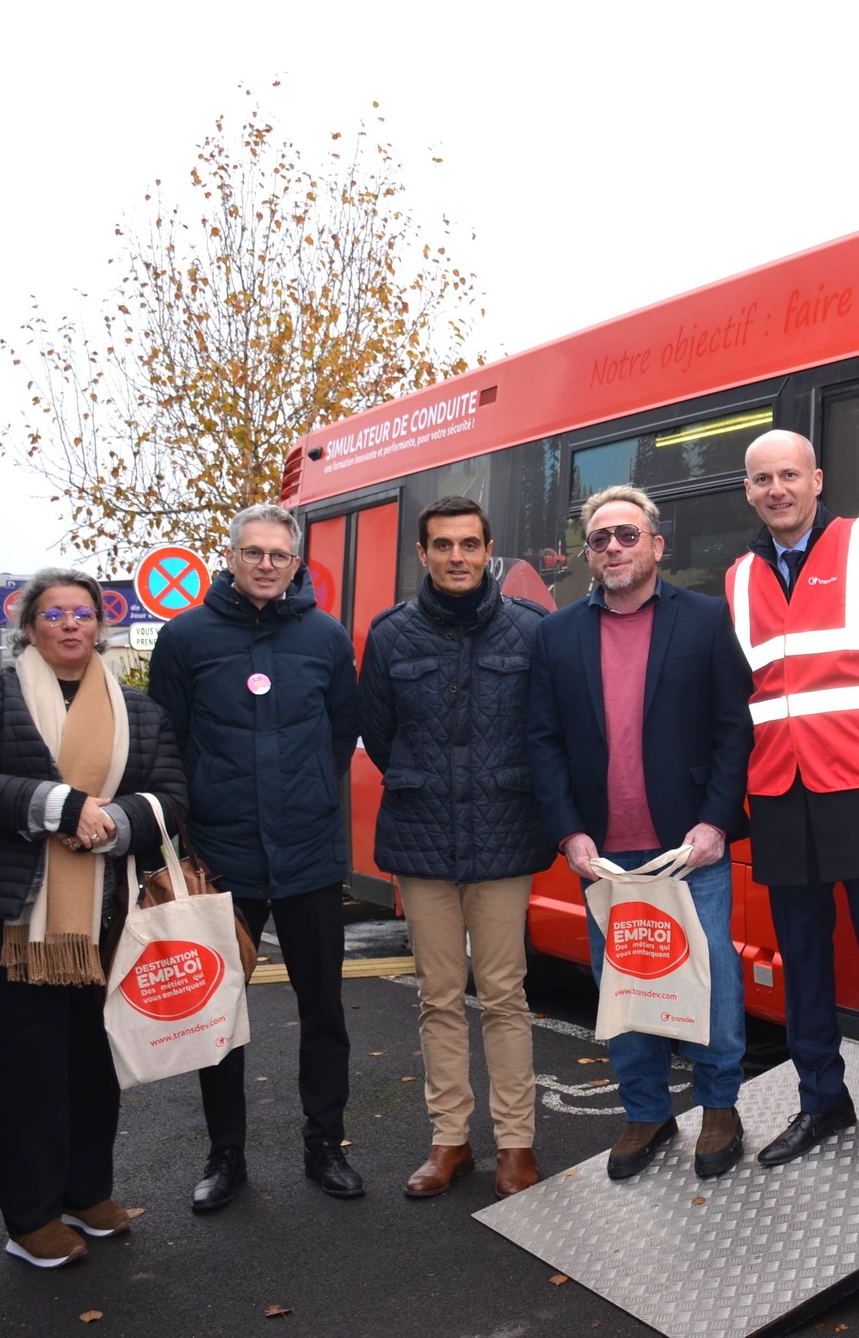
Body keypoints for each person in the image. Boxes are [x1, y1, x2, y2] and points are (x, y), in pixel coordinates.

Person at [0, 568, 188, 1267]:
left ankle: (86, 1191)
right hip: (6, 920)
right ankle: (32, 1217)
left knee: (92, 1059)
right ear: (30, 626)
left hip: (107, 918)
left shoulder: (137, 709)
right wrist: (64, 808)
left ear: (100, 624)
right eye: (54, 615)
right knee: (28, 1065)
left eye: (83, 613)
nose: (70, 624)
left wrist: (117, 822)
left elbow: (170, 794)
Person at [728, 429, 859, 1179]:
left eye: (789, 474)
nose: (776, 489)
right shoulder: (736, 578)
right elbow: (744, 691)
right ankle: (822, 1100)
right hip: (782, 795)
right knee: (804, 961)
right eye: (762, 479)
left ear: (817, 480)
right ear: (749, 490)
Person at [526, 484, 753, 1180]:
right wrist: (569, 835)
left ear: (657, 546)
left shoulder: (707, 620)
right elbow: (543, 742)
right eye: (601, 539)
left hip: (689, 849)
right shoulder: (556, 634)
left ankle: (720, 1106)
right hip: (605, 859)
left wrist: (716, 822)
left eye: (628, 535)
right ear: (589, 555)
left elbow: (733, 731)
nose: (615, 548)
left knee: (707, 974)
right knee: (623, 988)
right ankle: (646, 1110)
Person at [147, 504, 364, 1209]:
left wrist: (309, 800)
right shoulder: (186, 638)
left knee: (323, 1009)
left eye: (279, 554)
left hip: (308, 854)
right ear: (231, 558)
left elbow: (338, 736)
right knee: (218, 1016)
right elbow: (168, 743)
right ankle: (226, 1156)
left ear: (296, 563)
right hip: (223, 856)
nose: (266, 564)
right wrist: (187, 832)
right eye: (253, 553)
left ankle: (324, 1145)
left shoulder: (326, 639)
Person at [357, 495, 555, 1199]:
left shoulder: (532, 630)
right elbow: (380, 736)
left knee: (503, 993)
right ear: (423, 554)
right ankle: (449, 1142)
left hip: (503, 835)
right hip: (421, 839)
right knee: (438, 996)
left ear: (489, 547)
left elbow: (547, 729)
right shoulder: (389, 636)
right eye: (443, 545)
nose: (457, 557)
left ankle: (515, 1144)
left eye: (469, 544)